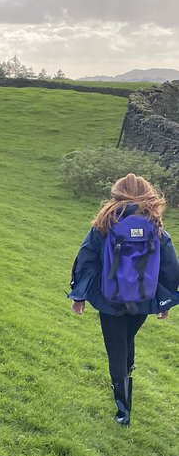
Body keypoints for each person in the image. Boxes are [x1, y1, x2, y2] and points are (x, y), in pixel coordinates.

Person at [68, 173, 178, 425]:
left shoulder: (104, 224)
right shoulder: (156, 227)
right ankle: (125, 385)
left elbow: (86, 260)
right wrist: (165, 302)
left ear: (116, 195)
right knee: (127, 338)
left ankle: (123, 412)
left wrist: (79, 296)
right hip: (143, 299)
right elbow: (170, 267)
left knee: (116, 347)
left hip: (110, 299)